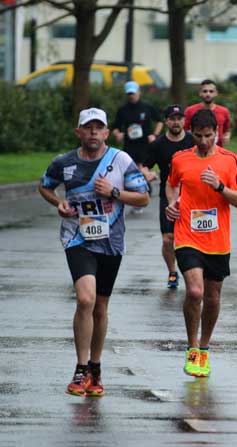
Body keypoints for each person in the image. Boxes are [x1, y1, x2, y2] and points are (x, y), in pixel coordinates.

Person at [38, 108, 150, 397]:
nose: (93, 133)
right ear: (79, 132)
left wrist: (113, 193)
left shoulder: (120, 160)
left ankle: (95, 367)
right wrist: (59, 204)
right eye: (87, 128)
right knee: (85, 298)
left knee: (100, 307)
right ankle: (80, 367)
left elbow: (144, 197)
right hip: (77, 239)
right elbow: (45, 186)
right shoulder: (64, 163)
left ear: (106, 132)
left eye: (98, 128)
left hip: (111, 242)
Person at [165, 109, 237, 378]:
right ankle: (192, 348)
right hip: (187, 234)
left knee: (212, 297)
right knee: (196, 292)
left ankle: (205, 347)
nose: (203, 141)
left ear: (217, 133)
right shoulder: (180, 159)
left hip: (218, 240)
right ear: (191, 133)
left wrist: (220, 187)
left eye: (208, 136)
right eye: (198, 136)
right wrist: (172, 204)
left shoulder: (229, 160)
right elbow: (171, 185)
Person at [144, 104, 194, 288]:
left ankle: (193, 270)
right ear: (166, 122)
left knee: (191, 237)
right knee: (168, 239)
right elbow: (145, 165)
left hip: (192, 194)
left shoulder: (193, 141)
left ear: (184, 120)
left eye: (179, 118)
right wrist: (147, 174)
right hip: (168, 194)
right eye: (172, 119)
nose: (176, 122)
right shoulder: (158, 144)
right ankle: (172, 271)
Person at [111, 81, 163, 196]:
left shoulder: (147, 107)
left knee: (141, 167)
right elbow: (115, 127)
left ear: (139, 92)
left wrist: (154, 135)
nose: (131, 96)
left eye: (133, 93)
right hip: (130, 144)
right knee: (132, 169)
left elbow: (159, 121)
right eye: (129, 94)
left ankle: (144, 189)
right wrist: (117, 134)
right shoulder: (123, 110)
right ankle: (146, 183)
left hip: (145, 144)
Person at [185, 79, 231, 146]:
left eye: (211, 91)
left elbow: (227, 130)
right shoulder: (190, 110)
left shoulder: (224, 111)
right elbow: (185, 131)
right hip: (196, 150)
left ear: (216, 93)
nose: (208, 94)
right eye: (205, 91)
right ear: (200, 93)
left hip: (218, 151)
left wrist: (227, 136)